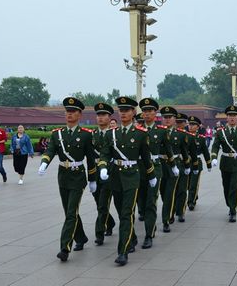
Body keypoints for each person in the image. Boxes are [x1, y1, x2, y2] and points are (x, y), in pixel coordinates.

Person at [97, 96, 156, 266]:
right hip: (115, 176)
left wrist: (151, 176)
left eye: (127, 111)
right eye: (121, 110)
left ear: (133, 113)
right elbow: (105, 154)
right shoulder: (110, 134)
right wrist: (102, 167)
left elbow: (146, 158)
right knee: (120, 209)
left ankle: (122, 251)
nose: (123, 113)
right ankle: (132, 237)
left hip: (132, 176)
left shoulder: (140, 134)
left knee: (126, 212)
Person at [38, 97, 97, 262]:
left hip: (78, 176)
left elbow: (91, 159)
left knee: (71, 212)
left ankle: (65, 247)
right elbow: (50, 151)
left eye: (72, 112)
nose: (69, 115)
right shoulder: (57, 134)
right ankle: (81, 237)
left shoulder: (86, 135)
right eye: (67, 112)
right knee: (69, 211)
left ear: (79, 114)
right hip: (63, 176)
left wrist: (92, 179)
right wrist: (44, 163)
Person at [138, 97, 177, 249]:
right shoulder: (137, 130)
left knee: (151, 202)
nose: (147, 114)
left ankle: (149, 234)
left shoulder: (161, 132)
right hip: (139, 168)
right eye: (145, 111)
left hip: (155, 168)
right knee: (140, 201)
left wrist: (173, 166)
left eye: (150, 111)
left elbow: (168, 150)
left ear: (155, 113)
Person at [211, 105, 237, 223]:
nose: (232, 118)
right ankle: (230, 204)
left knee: (235, 186)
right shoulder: (220, 132)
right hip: (225, 162)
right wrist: (213, 157)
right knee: (226, 186)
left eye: (234, 116)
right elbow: (215, 146)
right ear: (226, 118)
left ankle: (233, 210)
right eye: (230, 116)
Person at [92, 102, 116, 246]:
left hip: (110, 172)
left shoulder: (115, 134)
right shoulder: (92, 135)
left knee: (102, 204)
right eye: (98, 115)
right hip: (95, 172)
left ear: (109, 117)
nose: (100, 118)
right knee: (98, 203)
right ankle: (110, 222)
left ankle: (99, 233)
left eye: (103, 115)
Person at [172, 113, 198, 218]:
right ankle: (171, 210)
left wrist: (195, 167)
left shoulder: (189, 137)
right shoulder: (169, 134)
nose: (179, 124)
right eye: (177, 122)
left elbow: (193, 153)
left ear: (185, 123)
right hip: (172, 164)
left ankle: (180, 212)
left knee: (182, 189)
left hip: (184, 164)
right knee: (172, 190)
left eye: (181, 122)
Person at [187, 116, 211, 211]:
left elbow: (205, 152)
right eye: (190, 124)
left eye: (193, 125)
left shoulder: (201, 139)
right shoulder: (184, 136)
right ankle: (194, 195)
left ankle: (191, 202)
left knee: (193, 183)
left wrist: (208, 164)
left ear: (198, 127)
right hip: (186, 163)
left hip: (196, 162)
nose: (191, 126)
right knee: (187, 184)